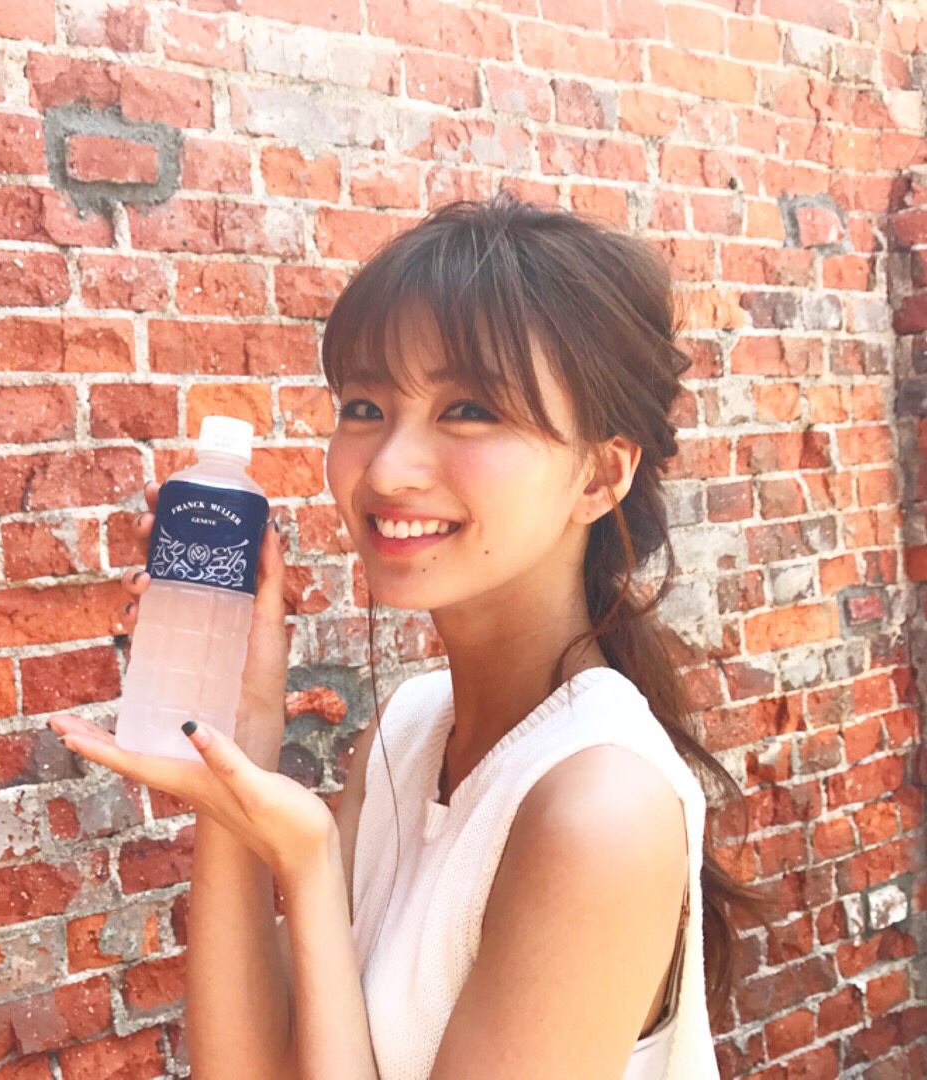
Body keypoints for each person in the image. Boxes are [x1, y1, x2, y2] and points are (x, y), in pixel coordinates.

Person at [50, 192, 754, 1078]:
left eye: (470, 409)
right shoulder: (412, 729)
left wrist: (309, 865)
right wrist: (239, 734)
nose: (386, 469)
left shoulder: (598, 809)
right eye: (363, 406)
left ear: (599, 477)